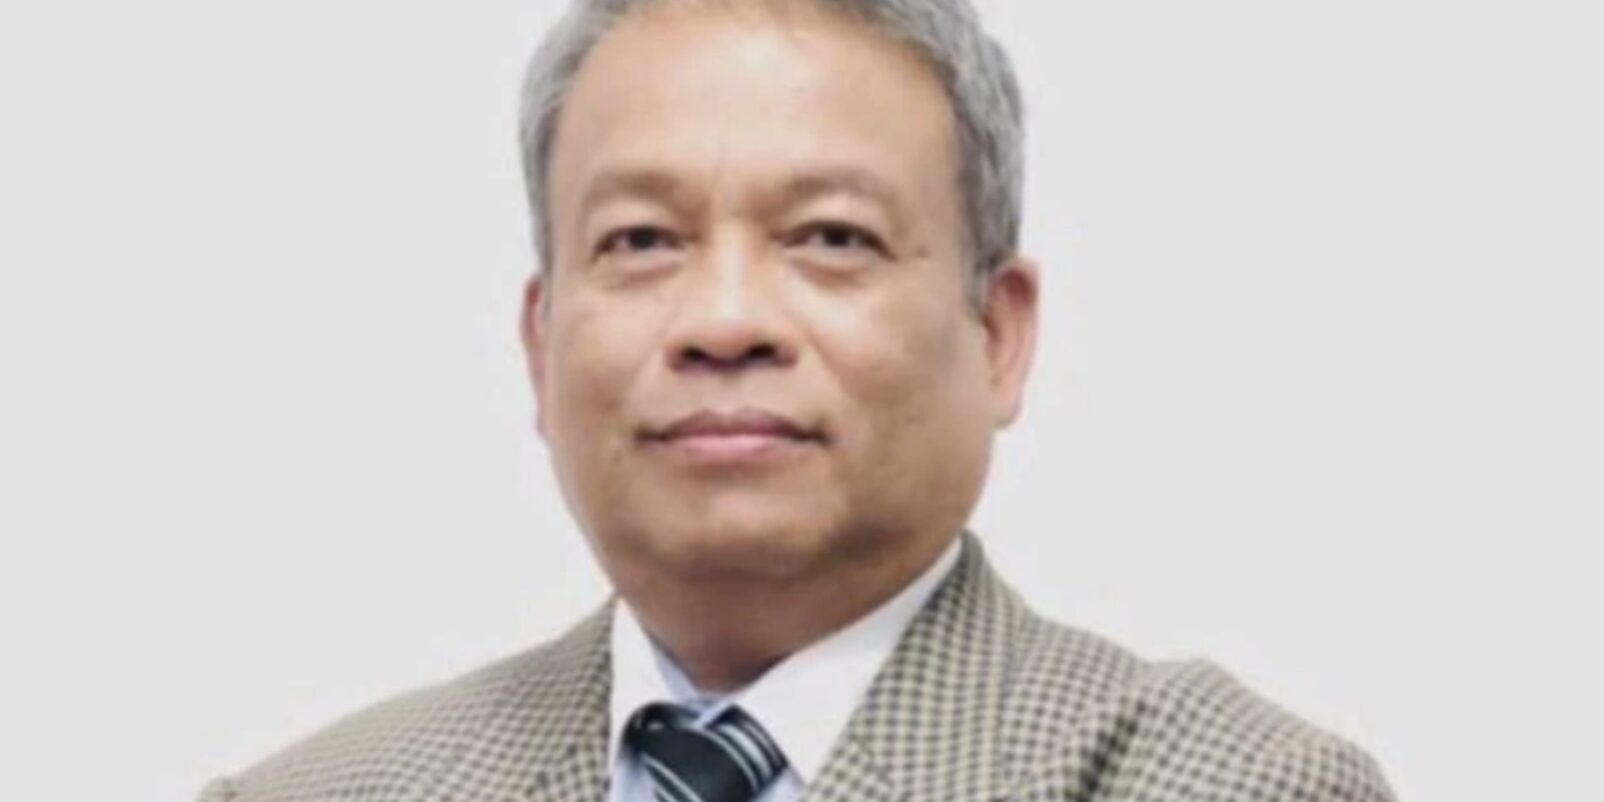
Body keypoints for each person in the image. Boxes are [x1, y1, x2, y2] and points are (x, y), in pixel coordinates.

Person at [199, 1, 1394, 800]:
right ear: (538, 344)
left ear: (997, 333)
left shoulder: (1226, 781)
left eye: (830, 236)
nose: (725, 321)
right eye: (640, 240)